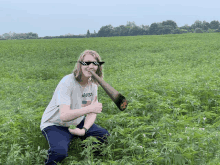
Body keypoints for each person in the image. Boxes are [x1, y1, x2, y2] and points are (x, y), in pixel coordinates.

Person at [40, 50, 110, 165]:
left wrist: (84, 130)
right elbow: (64, 116)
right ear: (80, 65)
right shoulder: (67, 82)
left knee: (104, 136)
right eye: (86, 63)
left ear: (98, 67)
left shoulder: (93, 85)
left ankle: (86, 157)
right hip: (56, 124)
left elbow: (92, 113)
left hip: (77, 122)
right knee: (59, 152)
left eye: (94, 63)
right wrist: (90, 109)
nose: (90, 66)